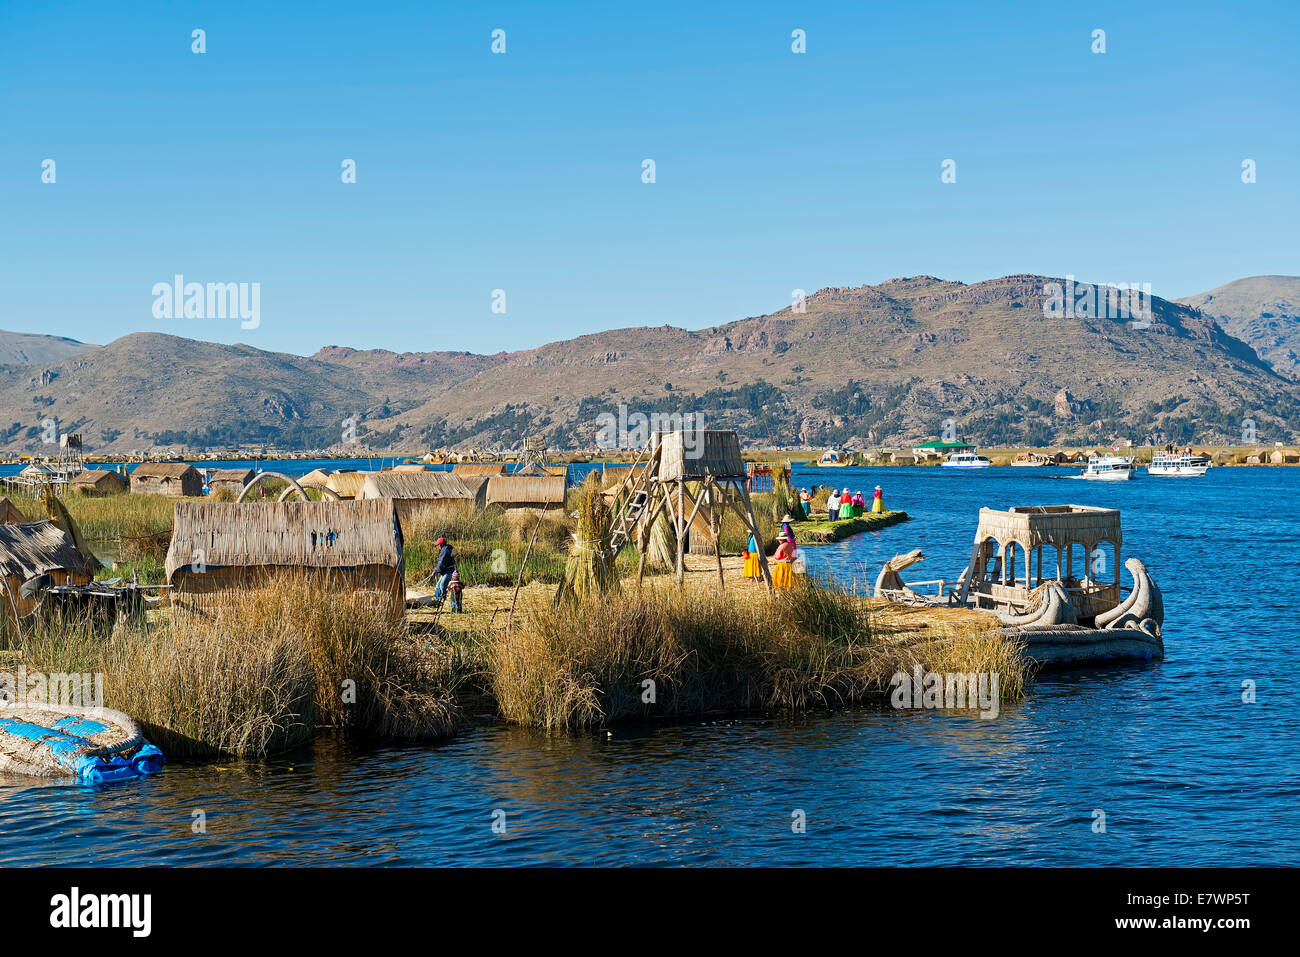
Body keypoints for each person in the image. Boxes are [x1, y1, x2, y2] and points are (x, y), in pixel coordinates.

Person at [432, 536, 456, 604]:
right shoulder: (444, 549)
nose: (438, 546)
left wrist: (435, 571)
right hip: (445, 571)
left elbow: (441, 563)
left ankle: (441, 599)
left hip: (448, 571)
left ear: (441, 544)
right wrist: (436, 570)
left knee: (442, 585)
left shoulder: (445, 551)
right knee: (438, 585)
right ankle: (436, 598)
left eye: (438, 545)